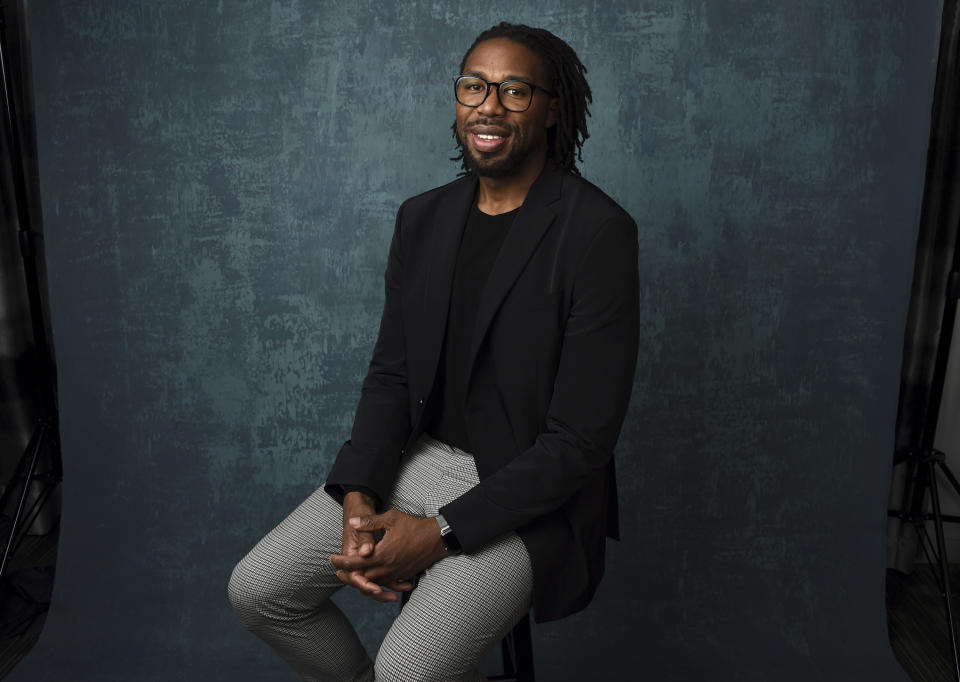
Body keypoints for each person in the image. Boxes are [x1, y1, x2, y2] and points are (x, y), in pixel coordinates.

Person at [228, 21, 639, 682]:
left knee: (409, 672)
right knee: (259, 592)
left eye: (515, 91)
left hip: (524, 495)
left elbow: (580, 444)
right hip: (409, 463)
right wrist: (360, 491)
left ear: (552, 108)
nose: (489, 106)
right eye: (474, 86)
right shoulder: (422, 219)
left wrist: (441, 533)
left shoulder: (598, 234)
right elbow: (392, 373)